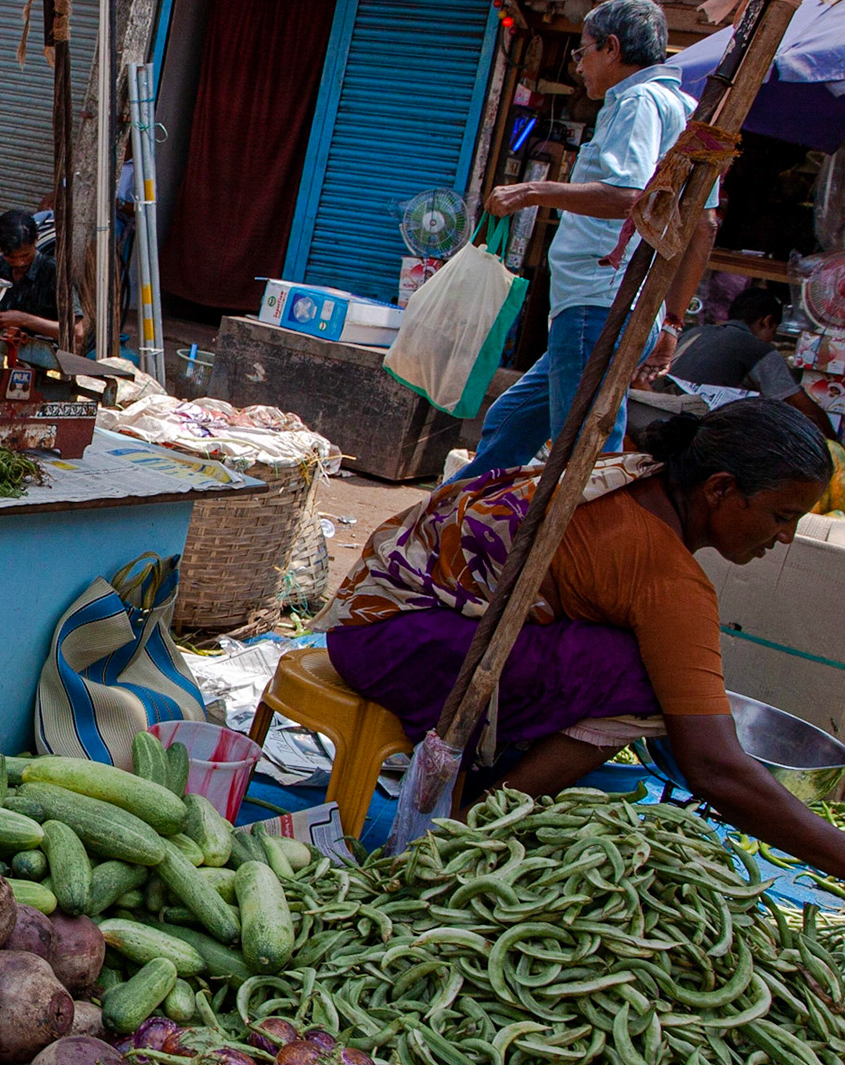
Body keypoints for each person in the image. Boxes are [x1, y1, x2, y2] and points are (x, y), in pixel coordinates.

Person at [322, 398, 845, 875]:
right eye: (782, 516)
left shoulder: (635, 475)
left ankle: (480, 797)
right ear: (720, 488)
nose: (785, 538)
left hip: (372, 608)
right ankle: (471, 828)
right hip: (393, 640)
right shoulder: (668, 580)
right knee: (639, 677)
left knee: (613, 658)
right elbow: (713, 766)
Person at [455, 0, 713, 481]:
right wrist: (671, 323)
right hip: (614, 309)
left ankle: (576, 548)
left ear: (612, 49)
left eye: (583, 52)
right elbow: (705, 226)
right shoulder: (684, 109)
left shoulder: (637, 104)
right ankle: (449, 522)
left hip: (597, 306)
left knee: (584, 454)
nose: (579, 65)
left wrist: (532, 190)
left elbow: (626, 195)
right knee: (511, 422)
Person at [664, 289, 829, 433]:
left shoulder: (695, 333)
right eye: (773, 330)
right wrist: (832, 439)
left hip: (663, 413)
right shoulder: (758, 349)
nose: (771, 339)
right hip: (698, 428)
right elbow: (800, 404)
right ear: (766, 321)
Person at [0, 210, 85, 347]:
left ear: (36, 240)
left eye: (25, 255)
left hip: (44, 358)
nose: (20, 263)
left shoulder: (54, 273)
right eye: (12, 258)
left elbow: (77, 332)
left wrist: (24, 320)